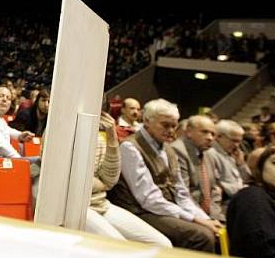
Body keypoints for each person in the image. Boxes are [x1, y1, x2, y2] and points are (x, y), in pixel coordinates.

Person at [109, 99, 222, 252]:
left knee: (216, 230)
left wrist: (205, 218)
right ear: (147, 121)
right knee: (201, 236)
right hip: (140, 210)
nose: (171, 130)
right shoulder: (130, 147)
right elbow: (148, 198)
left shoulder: (168, 149)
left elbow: (181, 192)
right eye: (165, 125)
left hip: (164, 207)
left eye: (174, 125)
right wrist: (194, 219)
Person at [86, 112, 172, 247]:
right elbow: (75, 183)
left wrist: (112, 137)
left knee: (163, 244)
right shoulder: (59, 132)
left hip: (101, 203)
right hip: (81, 208)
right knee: (122, 250)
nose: (171, 131)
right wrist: (98, 183)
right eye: (166, 125)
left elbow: (109, 181)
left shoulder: (101, 137)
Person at [170, 115, 224, 221]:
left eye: (213, 134)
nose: (210, 138)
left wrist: (215, 218)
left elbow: (214, 191)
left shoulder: (209, 154)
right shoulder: (177, 150)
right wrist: (207, 220)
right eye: (204, 132)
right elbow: (183, 195)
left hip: (209, 214)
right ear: (189, 131)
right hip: (188, 214)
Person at [205, 120, 251, 209]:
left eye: (239, 142)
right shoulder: (210, 154)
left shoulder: (232, 153)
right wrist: (243, 189)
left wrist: (241, 165)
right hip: (224, 204)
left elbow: (246, 179)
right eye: (234, 141)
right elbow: (217, 187)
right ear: (219, 137)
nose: (237, 145)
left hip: (238, 200)